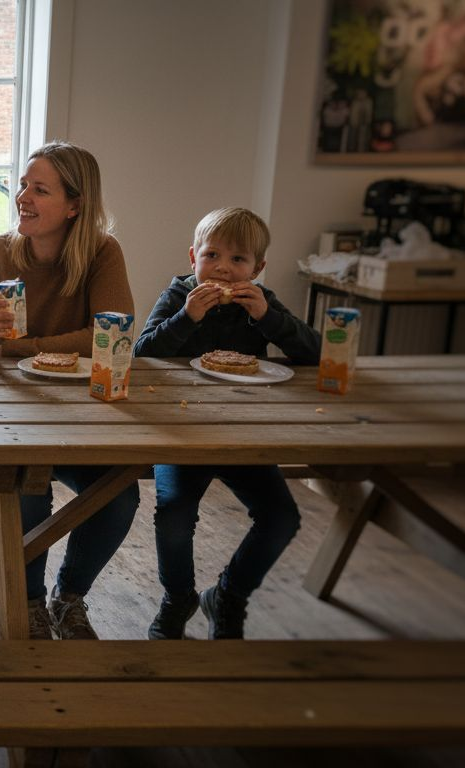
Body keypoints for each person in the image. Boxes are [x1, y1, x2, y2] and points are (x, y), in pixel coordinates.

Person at [0, 141, 139, 640]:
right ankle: (27, 603)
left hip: (80, 421)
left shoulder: (102, 253)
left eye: (40, 189)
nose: (22, 197)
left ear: (75, 205)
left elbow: (112, 334)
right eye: (24, 184)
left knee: (121, 496)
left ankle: (68, 598)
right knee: (27, 491)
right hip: (5, 418)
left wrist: (21, 346)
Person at [134, 207, 321, 639]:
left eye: (238, 260)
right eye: (212, 255)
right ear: (192, 258)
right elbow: (141, 356)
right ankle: (177, 598)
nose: (222, 268)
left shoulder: (261, 302)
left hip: (243, 431)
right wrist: (186, 318)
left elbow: (314, 354)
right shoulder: (180, 296)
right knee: (174, 515)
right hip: (181, 430)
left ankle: (229, 596)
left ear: (258, 268)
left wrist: (268, 319)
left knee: (281, 518)